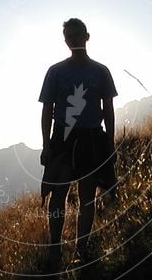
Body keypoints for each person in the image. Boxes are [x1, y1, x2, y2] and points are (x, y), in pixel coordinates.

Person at [38, 18, 118, 265]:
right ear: (65, 41)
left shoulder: (101, 71)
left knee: (87, 196)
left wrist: (110, 144)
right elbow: (47, 110)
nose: (73, 40)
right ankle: (55, 247)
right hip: (63, 137)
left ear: (87, 36)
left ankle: (81, 250)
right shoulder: (55, 71)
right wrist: (46, 144)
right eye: (69, 37)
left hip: (91, 137)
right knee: (58, 194)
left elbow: (108, 109)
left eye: (77, 35)